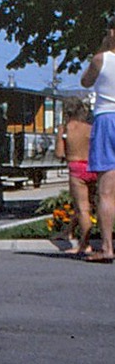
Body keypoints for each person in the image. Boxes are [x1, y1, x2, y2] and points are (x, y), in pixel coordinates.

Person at [80, 26, 115, 263]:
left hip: (106, 119)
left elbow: (85, 82)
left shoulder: (100, 59)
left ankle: (107, 247)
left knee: (106, 192)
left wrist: (104, 45)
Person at [54, 96, 96, 255]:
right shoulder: (90, 128)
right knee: (91, 205)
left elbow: (59, 154)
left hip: (76, 168)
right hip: (93, 166)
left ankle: (84, 244)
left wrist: (60, 137)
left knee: (82, 208)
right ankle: (68, 231)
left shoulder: (66, 129)